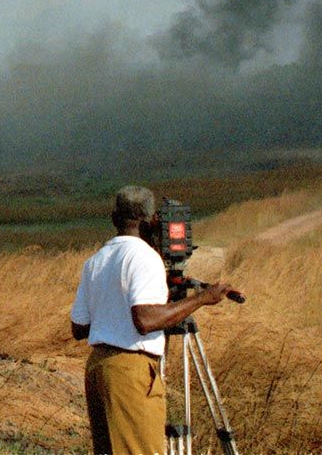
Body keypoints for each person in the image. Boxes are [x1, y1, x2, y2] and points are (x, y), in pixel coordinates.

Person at [70, 186, 239, 455]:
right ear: (151, 222)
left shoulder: (95, 261)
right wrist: (202, 299)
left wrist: (112, 313)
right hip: (130, 371)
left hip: (98, 368)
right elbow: (146, 320)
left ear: (114, 219)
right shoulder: (145, 257)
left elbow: (79, 328)